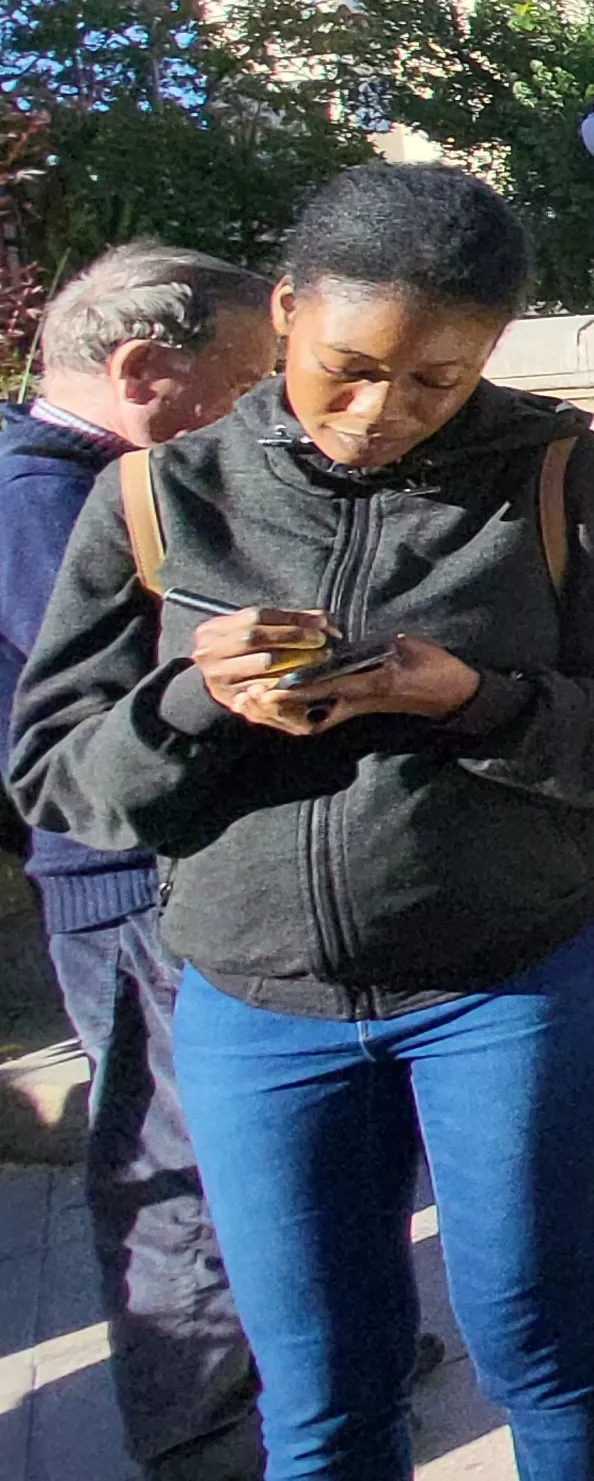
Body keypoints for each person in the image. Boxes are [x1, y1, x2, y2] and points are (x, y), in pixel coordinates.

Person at [9, 164, 594, 1481]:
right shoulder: (156, 498)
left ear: (491, 353)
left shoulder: (567, 478)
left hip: (512, 983)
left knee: (538, 1343)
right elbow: (58, 780)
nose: (384, 412)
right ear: (287, 312)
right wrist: (198, 697)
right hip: (257, 1007)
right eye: (349, 368)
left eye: (438, 380)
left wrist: (476, 700)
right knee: (322, 1392)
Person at [0, 242, 277, 1481]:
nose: (265, 412)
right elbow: (134, 694)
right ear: (146, 372)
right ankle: (205, 1425)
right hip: (120, 884)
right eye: (247, 380)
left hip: (127, 873)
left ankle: (267, 1368)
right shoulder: (44, 500)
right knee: (180, 1161)